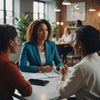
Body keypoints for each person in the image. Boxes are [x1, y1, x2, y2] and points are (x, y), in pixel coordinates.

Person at [57, 25, 100, 100]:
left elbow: (63, 92)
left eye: (74, 42)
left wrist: (62, 76)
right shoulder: (97, 60)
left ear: (80, 45)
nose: (73, 45)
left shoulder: (81, 68)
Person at [0, 24, 32, 100]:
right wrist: (28, 83)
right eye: (17, 40)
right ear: (11, 42)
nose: (18, 43)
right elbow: (27, 91)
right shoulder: (7, 64)